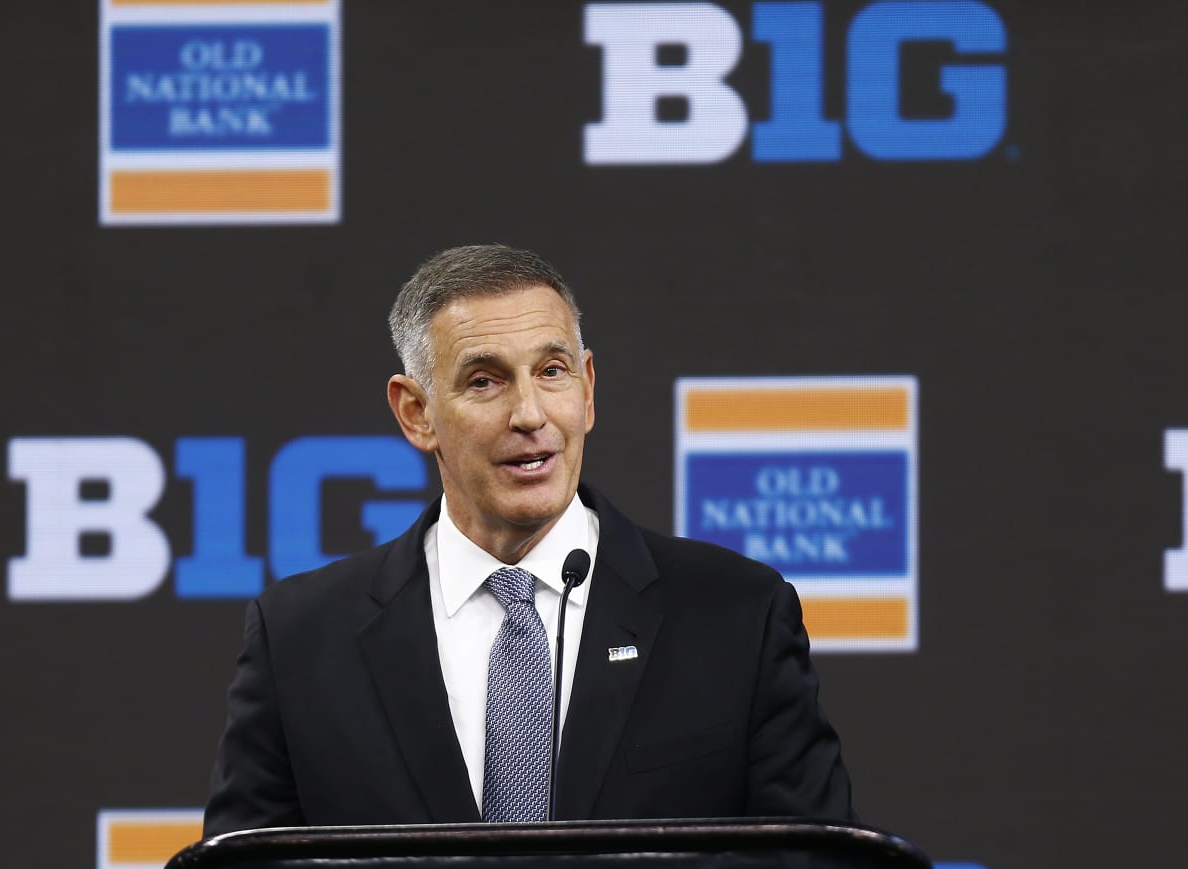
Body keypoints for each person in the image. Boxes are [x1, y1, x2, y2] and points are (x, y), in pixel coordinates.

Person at [203, 244, 851, 836]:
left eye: (551, 371)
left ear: (588, 389)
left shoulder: (735, 616)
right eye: (485, 381)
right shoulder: (301, 640)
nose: (530, 415)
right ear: (416, 412)